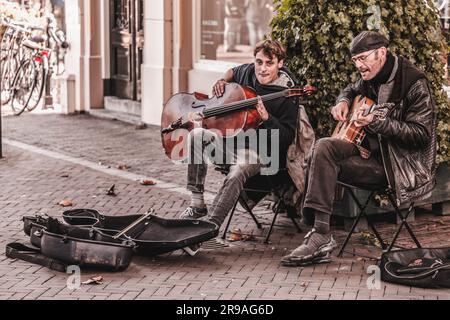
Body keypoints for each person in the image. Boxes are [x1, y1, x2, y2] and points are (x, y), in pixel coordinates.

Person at [281, 31, 437, 267]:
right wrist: (342, 102)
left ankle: (318, 233)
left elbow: (421, 135)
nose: (359, 66)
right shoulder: (371, 74)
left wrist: (378, 123)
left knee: (322, 158)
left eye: (363, 58)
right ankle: (321, 232)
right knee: (323, 147)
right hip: (367, 151)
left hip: (397, 166)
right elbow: (351, 90)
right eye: (355, 61)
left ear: (382, 53)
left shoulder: (414, 83)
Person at [180, 39, 299, 232]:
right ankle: (197, 205)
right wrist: (222, 81)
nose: (262, 69)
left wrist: (267, 118)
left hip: (262, 152)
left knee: (237, 171)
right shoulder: (248, 71)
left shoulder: (288, 93)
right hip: (232, 143)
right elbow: (232, 72)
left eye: (269, 63)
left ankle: (209, 227)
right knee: (197, 135)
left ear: (280, 64)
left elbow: (286, 138)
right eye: (259, 62)